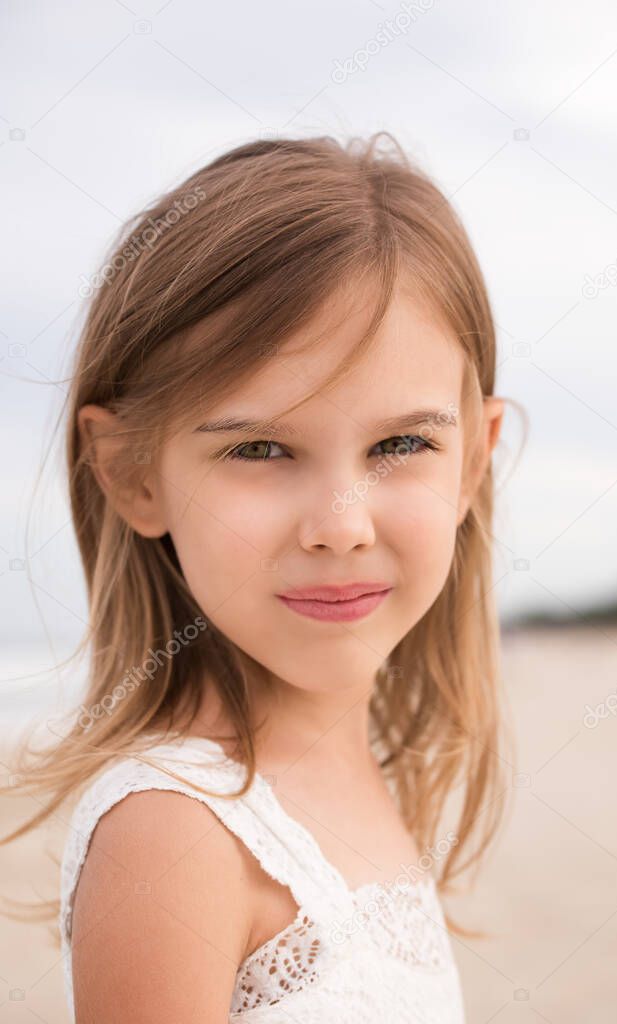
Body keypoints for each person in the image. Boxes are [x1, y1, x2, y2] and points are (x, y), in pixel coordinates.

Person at [1, 132, 512, 1022]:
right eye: (259, 448)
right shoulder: (174, 834)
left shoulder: (354, 771)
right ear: (132, 473)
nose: (340, 526)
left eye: (400, 444)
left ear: (474, 460)